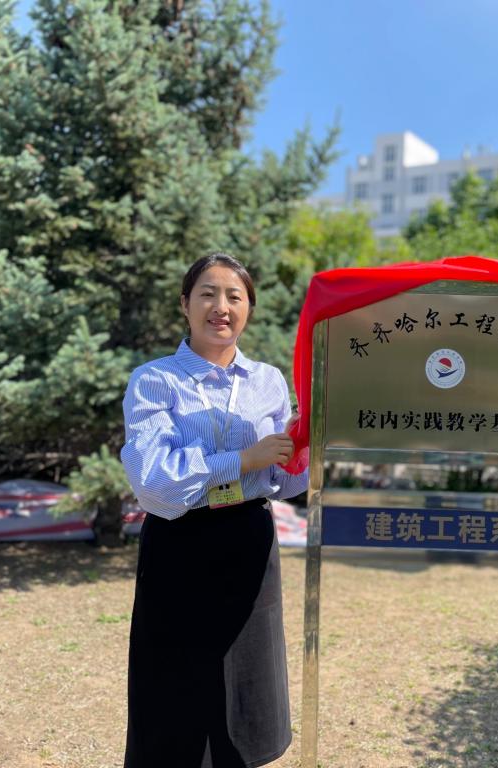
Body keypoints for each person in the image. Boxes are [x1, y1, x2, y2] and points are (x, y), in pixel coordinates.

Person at [120, 252, 308, 767]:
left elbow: (284, 481)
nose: (220, 306)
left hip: (249, 541)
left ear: (249, 308)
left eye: (234, 296)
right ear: (185, 304)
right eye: (207, 293)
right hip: (179, 544)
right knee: (174, 687)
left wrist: (307, 450)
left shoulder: (268, 381)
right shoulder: (155, 381)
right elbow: (154, 482)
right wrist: (242, 459)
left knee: (248, 688)